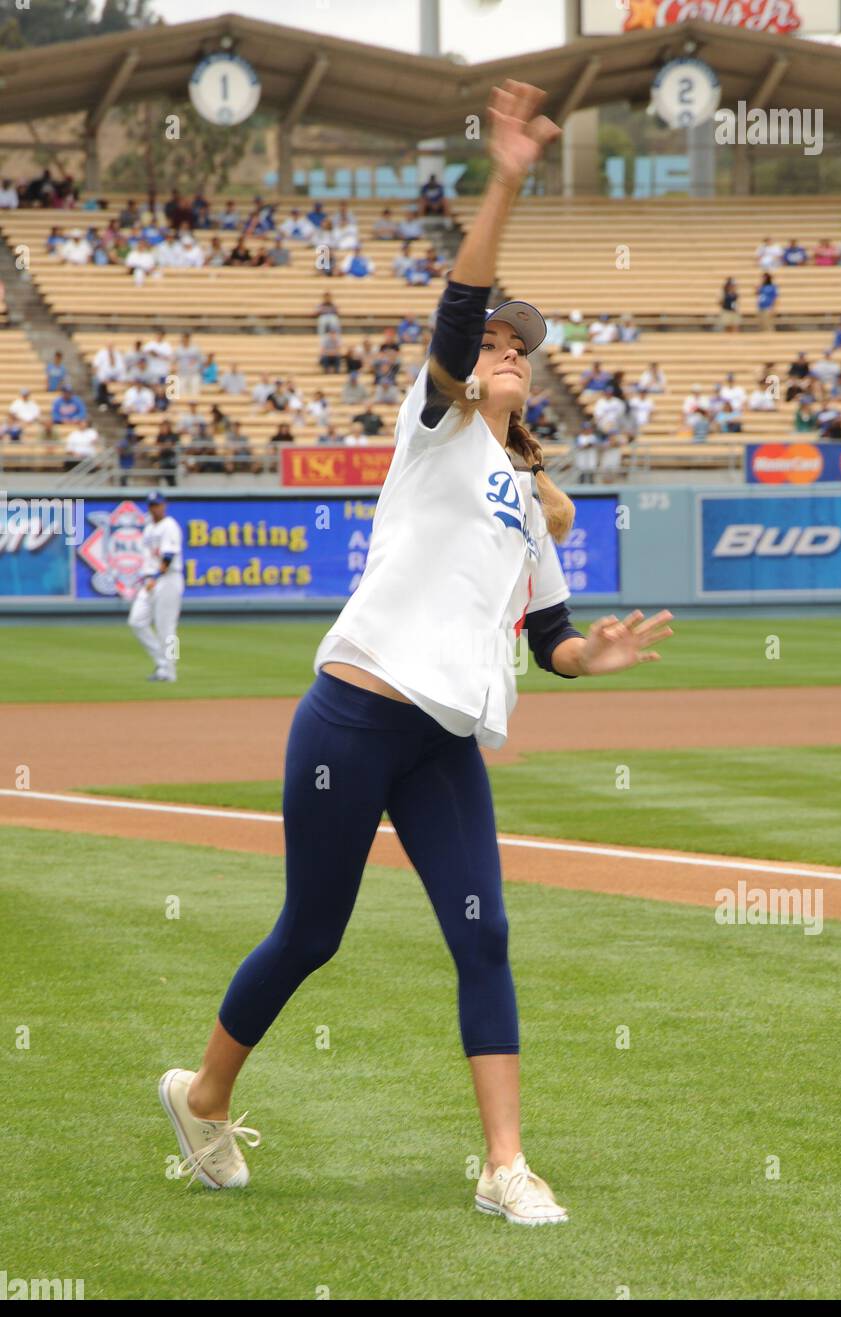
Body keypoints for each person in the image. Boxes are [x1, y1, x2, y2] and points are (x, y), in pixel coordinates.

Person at [157, 79, 674, 1223]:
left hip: (444, 741)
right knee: (313, 931)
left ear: (533, 380)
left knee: (485, 938)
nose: (501, 349)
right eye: (490, 340)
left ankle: (502, 1166)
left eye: (517, 349)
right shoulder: (433, 430)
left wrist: (598, 654)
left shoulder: (532, 506)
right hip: (352, 716)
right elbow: (457, 307)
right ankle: (202, 1096)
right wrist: (504, 175)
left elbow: (549, 646)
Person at [128, 491, 184, 682]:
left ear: (164, 505)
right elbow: (147, 557)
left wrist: (156, 576)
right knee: (136, 621)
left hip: (169, 579)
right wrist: (146, 577)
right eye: (152, 505)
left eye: (158, 504)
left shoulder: (170, 526)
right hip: (151, 580)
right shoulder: (149, 528)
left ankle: (170, 670)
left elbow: (168, 556)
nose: (156, 508)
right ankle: (162, 662)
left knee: (167, 629)